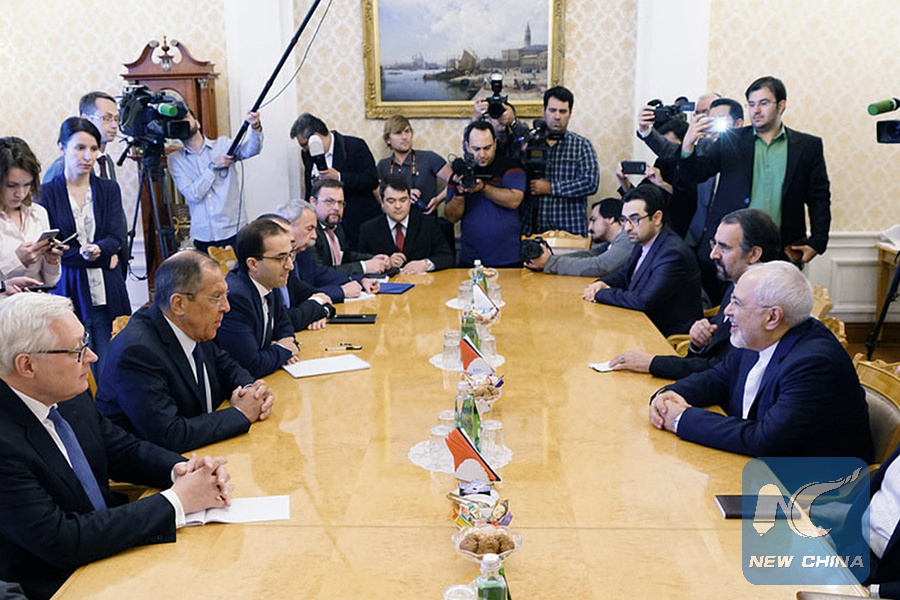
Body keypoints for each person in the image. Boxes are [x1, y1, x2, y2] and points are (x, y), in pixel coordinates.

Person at [0, 293, 231, 600]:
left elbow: (121, 449)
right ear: (27, 365)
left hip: (111, 547)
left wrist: (181, 469)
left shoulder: (67, 394)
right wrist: (177, 500)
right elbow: (61, 540)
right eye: (77, 350)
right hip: (57, 583)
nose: (92, 357)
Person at [649, 261, 872, 460]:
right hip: (758, 467)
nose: (727, 311)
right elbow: (719, 377)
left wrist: (681, 419)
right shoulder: (759, 336)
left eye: (737, 303)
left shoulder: (814, 364)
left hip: (812, 484)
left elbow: (764, 440)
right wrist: (670, 395)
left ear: (772, 317)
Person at [96, 251, 274, 452]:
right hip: (164, 465)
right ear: (179, 304)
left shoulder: (193, 325)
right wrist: (240, 413)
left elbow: (225, 365)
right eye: (216, 297)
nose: (226, 307)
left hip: (206, 450)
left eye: (226, 295)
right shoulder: (137, 352)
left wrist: (251, 390)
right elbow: (170, 435)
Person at [609, 208, 781, 379]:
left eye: (724, 247)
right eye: (714, 244)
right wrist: (699, 341)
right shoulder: (736, 284)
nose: (713, 255)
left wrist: (652, 363)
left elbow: (722, 370)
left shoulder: (762, 304)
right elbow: (712, 352)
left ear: (754, 254)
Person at [679, 76, 830, 267]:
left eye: (763, 103)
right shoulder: (730, 140)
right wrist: (688, 144)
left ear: (781, 106)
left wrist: (817, 242)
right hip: (731, 250)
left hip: (783, 249)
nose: (756, 110)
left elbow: (819, 198)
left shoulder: (808, 146)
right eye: (751, 104)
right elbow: (695, 174)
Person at [40, 118, 130, 383]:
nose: (88, 156)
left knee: (113, 370)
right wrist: (103, 259)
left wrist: (102, 249)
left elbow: (115, 238)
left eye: (93, 148)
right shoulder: (47, 193)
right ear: (62, 148)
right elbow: (52, 248)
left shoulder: (108, 189)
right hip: (68, 289)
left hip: (107, 291)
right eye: (79, 148)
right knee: (76, 373)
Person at [583, 184, 702, 337]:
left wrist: (601, 293)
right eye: (624, 220)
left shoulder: (673, 254)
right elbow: (623, 274)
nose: (627, 228)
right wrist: (599, 284)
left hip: (665, 337)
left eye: (634, 219)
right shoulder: (643, 241)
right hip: (639, 325)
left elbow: (643, 301)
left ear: (657, 218)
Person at [168, 108, 263, 253]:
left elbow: (252, 149)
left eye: (185, 117)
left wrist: (255, 127)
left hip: (234, 231)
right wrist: (213, 166)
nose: (182, 122)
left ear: (197, 123)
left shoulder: (223, 145)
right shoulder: (175, 159)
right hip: (202, 236)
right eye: (177, 121)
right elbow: (193, 194)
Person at [214, 219, 301, 377]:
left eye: (290, 255)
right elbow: (251, 364)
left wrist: (286, 340)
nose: (290, 265)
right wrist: (284, 350)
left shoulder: (269, 281)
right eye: (280, 258)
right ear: (253, 264)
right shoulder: (235, 298)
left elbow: (284, 324)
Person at [444, 120, 526, 268]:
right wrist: (459, 193)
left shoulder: (510, 166)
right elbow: (451, 217)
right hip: (471, 259)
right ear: (467, 146)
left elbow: (514, 200)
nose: (482, 154)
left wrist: (483, 188)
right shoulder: (460, 172)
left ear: (495, 143)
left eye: (487, 148)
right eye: (476, 149)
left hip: (509, 258)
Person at [291, 113, 379, 249]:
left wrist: (339, 177)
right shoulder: (307, 154)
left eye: (304, 144)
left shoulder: (354, 146)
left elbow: (371, 180)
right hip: (323, 228)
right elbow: (310, 189)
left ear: (315, 137)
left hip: (355, 222)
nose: (304, 149)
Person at [527, 86, 600, 237]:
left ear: (570, 113)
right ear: (543, 111)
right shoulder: (529, 142)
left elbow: (591, 183)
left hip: (571, 230)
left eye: (563, 111)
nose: (557, 116)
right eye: (552, 110)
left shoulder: (581, 145)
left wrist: (551, 188)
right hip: (534, 230)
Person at [358, 174, 454, 274]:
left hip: (423, 282)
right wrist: (385, 263)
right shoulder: (368, 229)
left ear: (409, 200)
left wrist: (426, 264)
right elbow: (361, 263)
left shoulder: (428, 224)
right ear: (382, 202)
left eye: (403, 200)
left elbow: (447, 257)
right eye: (391, 201)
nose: (398, 206)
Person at [0, 137, 63, 289]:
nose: (20, 194)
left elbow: (51, 281)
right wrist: (17, 261)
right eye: (12, 185)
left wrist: (51, 261)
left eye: (27, 184)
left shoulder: (39, 213)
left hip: (37, 299)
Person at [261, 210, 335, 332]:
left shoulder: (287, 267)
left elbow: (319, 295)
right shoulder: (264, 275)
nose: (290, 265)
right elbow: (283, 321)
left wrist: (322, 311)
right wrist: (315, 307)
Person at [525, 197, 634, 277]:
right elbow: (589, 255)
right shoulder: (614, 241)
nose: (589, 228)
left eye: (593, 220)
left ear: (610, 219)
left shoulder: (628, 237)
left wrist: (550, 263)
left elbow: (600, 267)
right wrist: (549, 260)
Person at [310, 179, 390, 275]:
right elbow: (320, 273)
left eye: (340, 203)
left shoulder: (337, 227)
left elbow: (346, 257)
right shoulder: (309, 232)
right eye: (329, 201)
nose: (336, 208)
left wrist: (373, 259)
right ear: (313, 202)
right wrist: (364, 267)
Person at [376, 115, 452, 213]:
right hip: (395, 219)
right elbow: (376, 192)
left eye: (407, 131)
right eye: (398, 133)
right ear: (388, 140)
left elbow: (454, 181)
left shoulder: (429, 158)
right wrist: (403, 196)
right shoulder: (383, 165)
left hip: (425, 218)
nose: (404, 137)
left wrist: (438, 199)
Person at [42, 91, 121, 184]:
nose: (114, 125)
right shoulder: (63, 166)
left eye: (116, 119)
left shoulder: (107, 161)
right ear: (86, 119)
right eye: (106, 118)